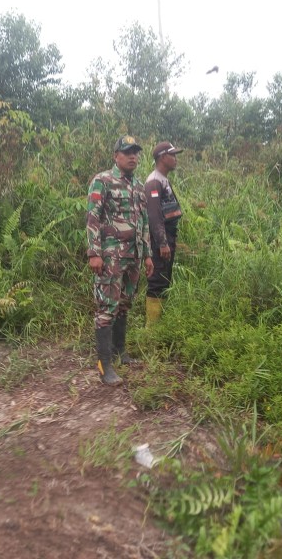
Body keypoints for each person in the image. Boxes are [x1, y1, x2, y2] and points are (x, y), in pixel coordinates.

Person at [86, 135, 154, 386]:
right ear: (116, 155)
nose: (133, 156)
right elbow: (92, 217)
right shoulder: (102, 181)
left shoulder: (138, 186)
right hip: (110, 257)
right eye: (127, 152)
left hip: (133, 257)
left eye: (135, 152)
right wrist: (94, 252)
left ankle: (120, 352)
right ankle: (105, 366)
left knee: (124, 304)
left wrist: (147, 254)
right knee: (106, 308)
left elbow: (143, 222)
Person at [144, 141, 184, 324]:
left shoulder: (162, 179)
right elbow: (154, 216)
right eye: (172, 155)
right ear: (162, 157)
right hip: (159, 238)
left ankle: (159, 325)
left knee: (164, 280)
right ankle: (151, 330)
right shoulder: (154, 181)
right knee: (157, 281)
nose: (176, 159)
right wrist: (162, 243)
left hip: (168, 236)